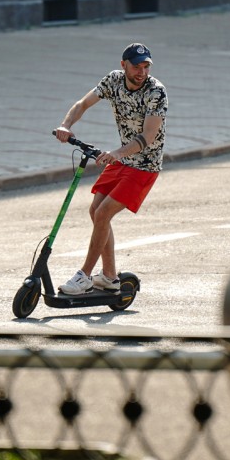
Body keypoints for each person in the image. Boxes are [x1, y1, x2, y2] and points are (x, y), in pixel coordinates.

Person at [54, 43, 168, 295]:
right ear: (123, 65)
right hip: (123, 160)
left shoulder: (156, 92)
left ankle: (84, 276)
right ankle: (109, 277)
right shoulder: (113, 81)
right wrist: (65, 125)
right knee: (96, 212)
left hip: (145, 165)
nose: (142, 72)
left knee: (104, 213)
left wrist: (116, 153)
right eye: (136, 66)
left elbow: (148, 137)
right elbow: (83, 103)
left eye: (146, 66)